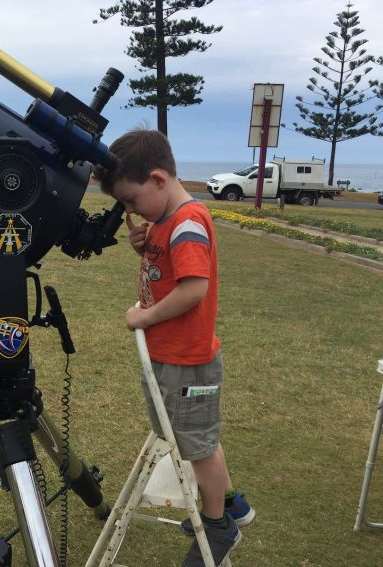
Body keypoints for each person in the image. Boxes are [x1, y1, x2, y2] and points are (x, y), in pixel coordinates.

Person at [92, 129, 255, 567]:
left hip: (188, 361)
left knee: (199, 446)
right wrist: (144, 249)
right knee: (192, 440)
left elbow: (194, 288)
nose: (129, 210)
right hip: (167, 358)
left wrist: (142, 317)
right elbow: (167, 273)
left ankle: (219, 526)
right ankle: (228, 502)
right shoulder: (165, 221)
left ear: (159, 180)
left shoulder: (186, 223)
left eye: (131, 199)